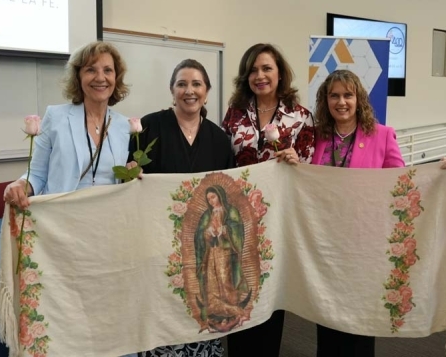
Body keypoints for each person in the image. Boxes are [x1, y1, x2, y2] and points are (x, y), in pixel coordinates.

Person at [2, 41, 137, 357]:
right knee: (65, 318)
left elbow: (115, 179)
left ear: (117, 78)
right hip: (62, 236)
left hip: (106, 236)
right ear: (79, 77)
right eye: (91, 69)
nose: (99, 77)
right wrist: (19, 186)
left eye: (107, 70)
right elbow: (36, 175)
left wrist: (130, 174)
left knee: (105, 316)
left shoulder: (121, 126)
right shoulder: (56, 117)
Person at [311, 69, 446, 357]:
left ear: (359, 99)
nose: (341, 102)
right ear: (325, 101)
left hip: (365, 243)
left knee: (361, 318)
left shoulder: (381, 135)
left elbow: (399, 181)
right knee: (326, 313)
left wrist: (435, 174)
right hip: (326, 243)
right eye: (334, 95)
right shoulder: (318, 137)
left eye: (348, 95)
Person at [133, 59, 235, 357]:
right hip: (156, 243)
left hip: (202, 247)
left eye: (196, 84)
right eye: (182, 84)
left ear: (207, 91)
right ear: (171, 90)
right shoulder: (148, 126)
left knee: (198, 315)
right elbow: (129, 181)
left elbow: (226, 193)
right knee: (160, 315)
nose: (189, 91)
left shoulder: (219, 138)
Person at [222, 43, 315, 356]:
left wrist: (297, 160)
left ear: (280, 73)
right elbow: (223, 163)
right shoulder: (235, 115)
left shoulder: (300, 117)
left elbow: (311, 172)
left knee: (271, 301)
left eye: (266, 69)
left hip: (277, 225)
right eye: (253, 70)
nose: (259, 75)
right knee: (238, 300)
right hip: (237, 225)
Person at [195, 186, 248, 333]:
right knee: (212, 281)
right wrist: (207, 233)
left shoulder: (230, 211)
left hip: (226, 252)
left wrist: (225, 230)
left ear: (220, 195)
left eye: (213, 197)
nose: (211, 201)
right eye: (208, 199)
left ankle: (230, 310)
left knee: (225, 280)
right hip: (211, 252)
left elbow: (237, 229)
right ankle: (216, 312)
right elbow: (199, 234)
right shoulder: (207, 215)